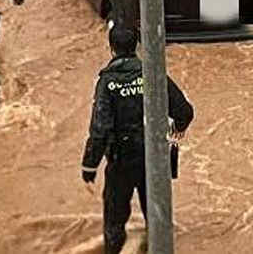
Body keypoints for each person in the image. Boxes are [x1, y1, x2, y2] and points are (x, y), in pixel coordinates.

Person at [82, 23, 194, 254]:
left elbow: (100, 129)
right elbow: (184, 111)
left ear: (112, 48)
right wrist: (173, 136)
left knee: (114, 221)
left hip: (122, 162)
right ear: (137, 46)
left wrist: (89, 165)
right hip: (155, 159)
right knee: (158, 219)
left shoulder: (108, 83)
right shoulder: (153, 73)